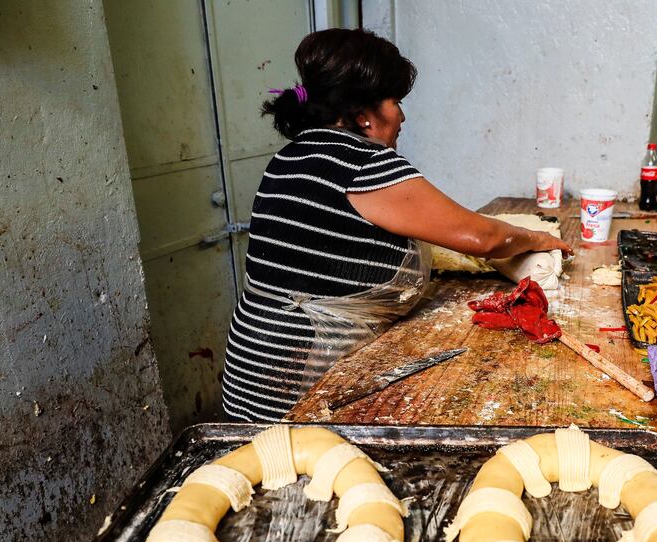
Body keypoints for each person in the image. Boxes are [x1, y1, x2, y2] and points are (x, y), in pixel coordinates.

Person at [222, 28, 570, 422]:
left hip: (251, 367)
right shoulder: (363, 162)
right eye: (396, 101)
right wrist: (537, 238)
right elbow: (483, 237)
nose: (402, 116)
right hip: (301, 385)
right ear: (363, 115)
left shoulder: (291, 156)